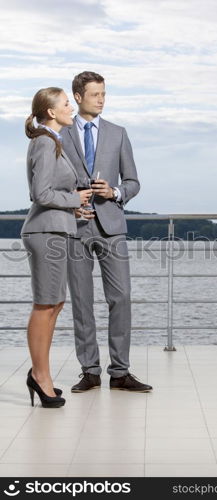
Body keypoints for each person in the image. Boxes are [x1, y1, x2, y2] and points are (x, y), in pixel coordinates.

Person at [61, 71, 152, 392]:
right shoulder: (61, 133)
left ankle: (120, 372)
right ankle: (89, 370)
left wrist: (114, 191)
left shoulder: (118, 133)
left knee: (122, 297)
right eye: (95, 94)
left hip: (112, 227)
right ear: (78, 96)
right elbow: (51, 181)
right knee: (82, 302)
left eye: (103, 93)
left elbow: (133, 182)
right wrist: (70, 203)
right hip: (74, 228)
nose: (101, 99)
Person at [21, 87, 92, 408]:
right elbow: (40, 193)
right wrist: (74, 199)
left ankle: (41, 374)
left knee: (54, 304)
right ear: (51, 112)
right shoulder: (44, 143)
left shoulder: (53, 142)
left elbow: (51, 194)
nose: (71, 108)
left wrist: (73, 209)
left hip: (56, 229)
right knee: (46, 305)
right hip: (45, 232)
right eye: (66, 104)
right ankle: (40, 377)